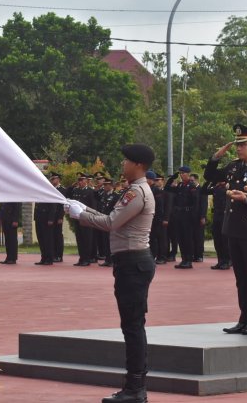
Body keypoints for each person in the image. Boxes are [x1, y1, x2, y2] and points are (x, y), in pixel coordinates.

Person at [67, 144, 155, 403]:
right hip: (131, 263)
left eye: (126, 161)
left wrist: (81, 215)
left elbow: (110, 224)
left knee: (133, 326)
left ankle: (136, 388)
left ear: (138, 165)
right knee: (131, 325)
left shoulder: (137, 192)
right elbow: (112, 217)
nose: (122, 165)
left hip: (133, 264)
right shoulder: (135, 190)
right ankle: (134, 386)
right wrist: (84, 208)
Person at [204, 124, 247, 336]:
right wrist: (216, 157)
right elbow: (211, 176)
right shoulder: (234, 166)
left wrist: (246, 198)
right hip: (234, 228)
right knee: (241, 277)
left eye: (242, 145)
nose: (238, 149)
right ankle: (243, 319)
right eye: (237, 145)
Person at [164, 166, 199, 269]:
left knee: (187, 238)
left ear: (188, 174)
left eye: (183, 173)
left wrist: (194, 217)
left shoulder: (191, 186)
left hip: (188, 215)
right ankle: (183, 259)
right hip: (178, 215)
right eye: (180, 173)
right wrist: (171, 178)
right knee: (180, 237)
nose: (181, 175)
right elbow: (167, 188)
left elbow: (195, 203)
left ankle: (188, 260)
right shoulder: (179, 185)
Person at [68, 174, 96, 266]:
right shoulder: (75, 190)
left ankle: (87, 259)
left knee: (86, 239)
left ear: (86, 181)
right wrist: (72, 186)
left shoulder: (90, 191)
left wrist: (92, 217)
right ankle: (81, 258)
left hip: (86, 218)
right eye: (79, 180)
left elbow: (93, 206)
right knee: (79, 239)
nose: (80, 182)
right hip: (77, 218)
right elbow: (67, 196)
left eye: (81, 180)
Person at [203, 180, 230, 270]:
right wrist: (209, 180)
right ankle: (220, 261)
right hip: (217, 215)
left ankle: (226, 261)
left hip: (225, 215)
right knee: (217, 239)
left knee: (224, 239)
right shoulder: (216, 188)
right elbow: (204, 191)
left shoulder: (229, 187)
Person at [97, 178, 120, 267]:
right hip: (104, 220)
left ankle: (113, 260)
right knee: (105, 241)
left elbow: (116, 209)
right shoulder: (103, 195)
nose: (105, 186)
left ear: (111, 186)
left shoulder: (116, 196)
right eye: (104, 185)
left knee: (111, 241)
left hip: (111, 220)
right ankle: (107, 259)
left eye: (107, 185)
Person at [33, 191, 57, 266]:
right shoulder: (38, 194)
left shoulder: (49, 193)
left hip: (46, 220)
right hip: (39, 219)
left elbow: (53, 207)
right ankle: (43, 258)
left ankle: (49, 259)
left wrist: (51, 219)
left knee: (47, 240)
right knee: (41, 239)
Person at [190, 173, 208, 262]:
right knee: (192, 236)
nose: (191, 182)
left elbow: (204, 204)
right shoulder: (191, 190)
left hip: (199, 217)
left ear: (197, 180)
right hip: (191, 217)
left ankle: (199, 255)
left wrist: (203, 217)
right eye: (190, 181)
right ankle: (193, 254)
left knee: (199, 237)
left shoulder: (202, 190)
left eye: (192, 180)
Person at [51, 172, 66, 262]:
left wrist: (61, 217)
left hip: (58, 216)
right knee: (52, 236)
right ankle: (53, 254)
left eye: (54, 179)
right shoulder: (51, 189)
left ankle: (59, 255)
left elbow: (62, 205)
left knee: (58, 236)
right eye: (52, 179)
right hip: (51, 216)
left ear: (58, 179)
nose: (52, 181)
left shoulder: (62, 190)